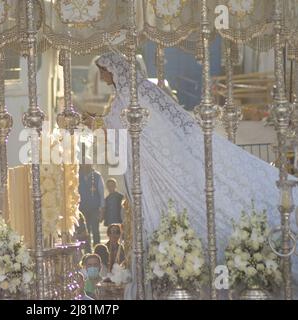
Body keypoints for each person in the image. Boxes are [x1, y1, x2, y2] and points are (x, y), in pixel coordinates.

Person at [95, 52, 298, 298]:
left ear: (114, 70)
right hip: (148, 169)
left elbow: (160, 127)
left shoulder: (137, 93)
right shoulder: (122, 97)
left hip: (162, 166)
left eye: (102, 69)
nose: (100, 75)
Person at [78, 164, 105, 247]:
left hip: (94, 209)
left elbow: (101, 193)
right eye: (83, 165)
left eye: (87, 165)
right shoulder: (77, 175)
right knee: (85, 231)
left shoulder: (97, 176)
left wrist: (102, 209)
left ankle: (97, 249)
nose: (85, 167)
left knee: (95, 230)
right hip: (81, 209)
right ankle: (87, 251)